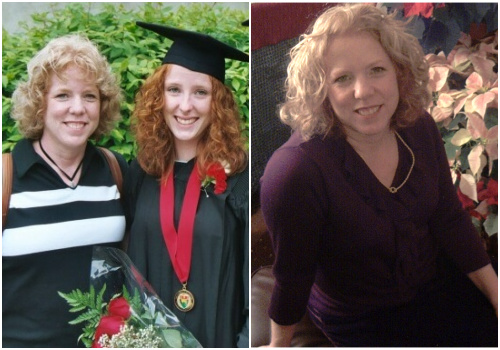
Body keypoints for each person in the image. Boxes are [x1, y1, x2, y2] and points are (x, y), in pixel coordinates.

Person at [260, 4, 498, 347]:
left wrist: (495, 295)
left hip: (438, 279)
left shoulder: (419, 127)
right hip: (365, 319)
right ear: (320, 89)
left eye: (376, 70)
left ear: (398, 72)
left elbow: (448, 217)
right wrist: (278, 344)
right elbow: (291, 278)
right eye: (342, 78)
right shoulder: (294, 173)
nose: (364, 91)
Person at [126, 22, 249, 348]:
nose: (185, 106)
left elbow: (253, 277)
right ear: (158, 97)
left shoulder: (237, 178)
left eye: (201, 92)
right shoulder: (140, 172)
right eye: (174, 90)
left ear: (217, 103)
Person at [2, 34, 127, 347]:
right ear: (39, 102)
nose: (78, 108)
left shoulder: (115, 171)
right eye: (62, 95)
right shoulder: (6, 177)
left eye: (89, 96)